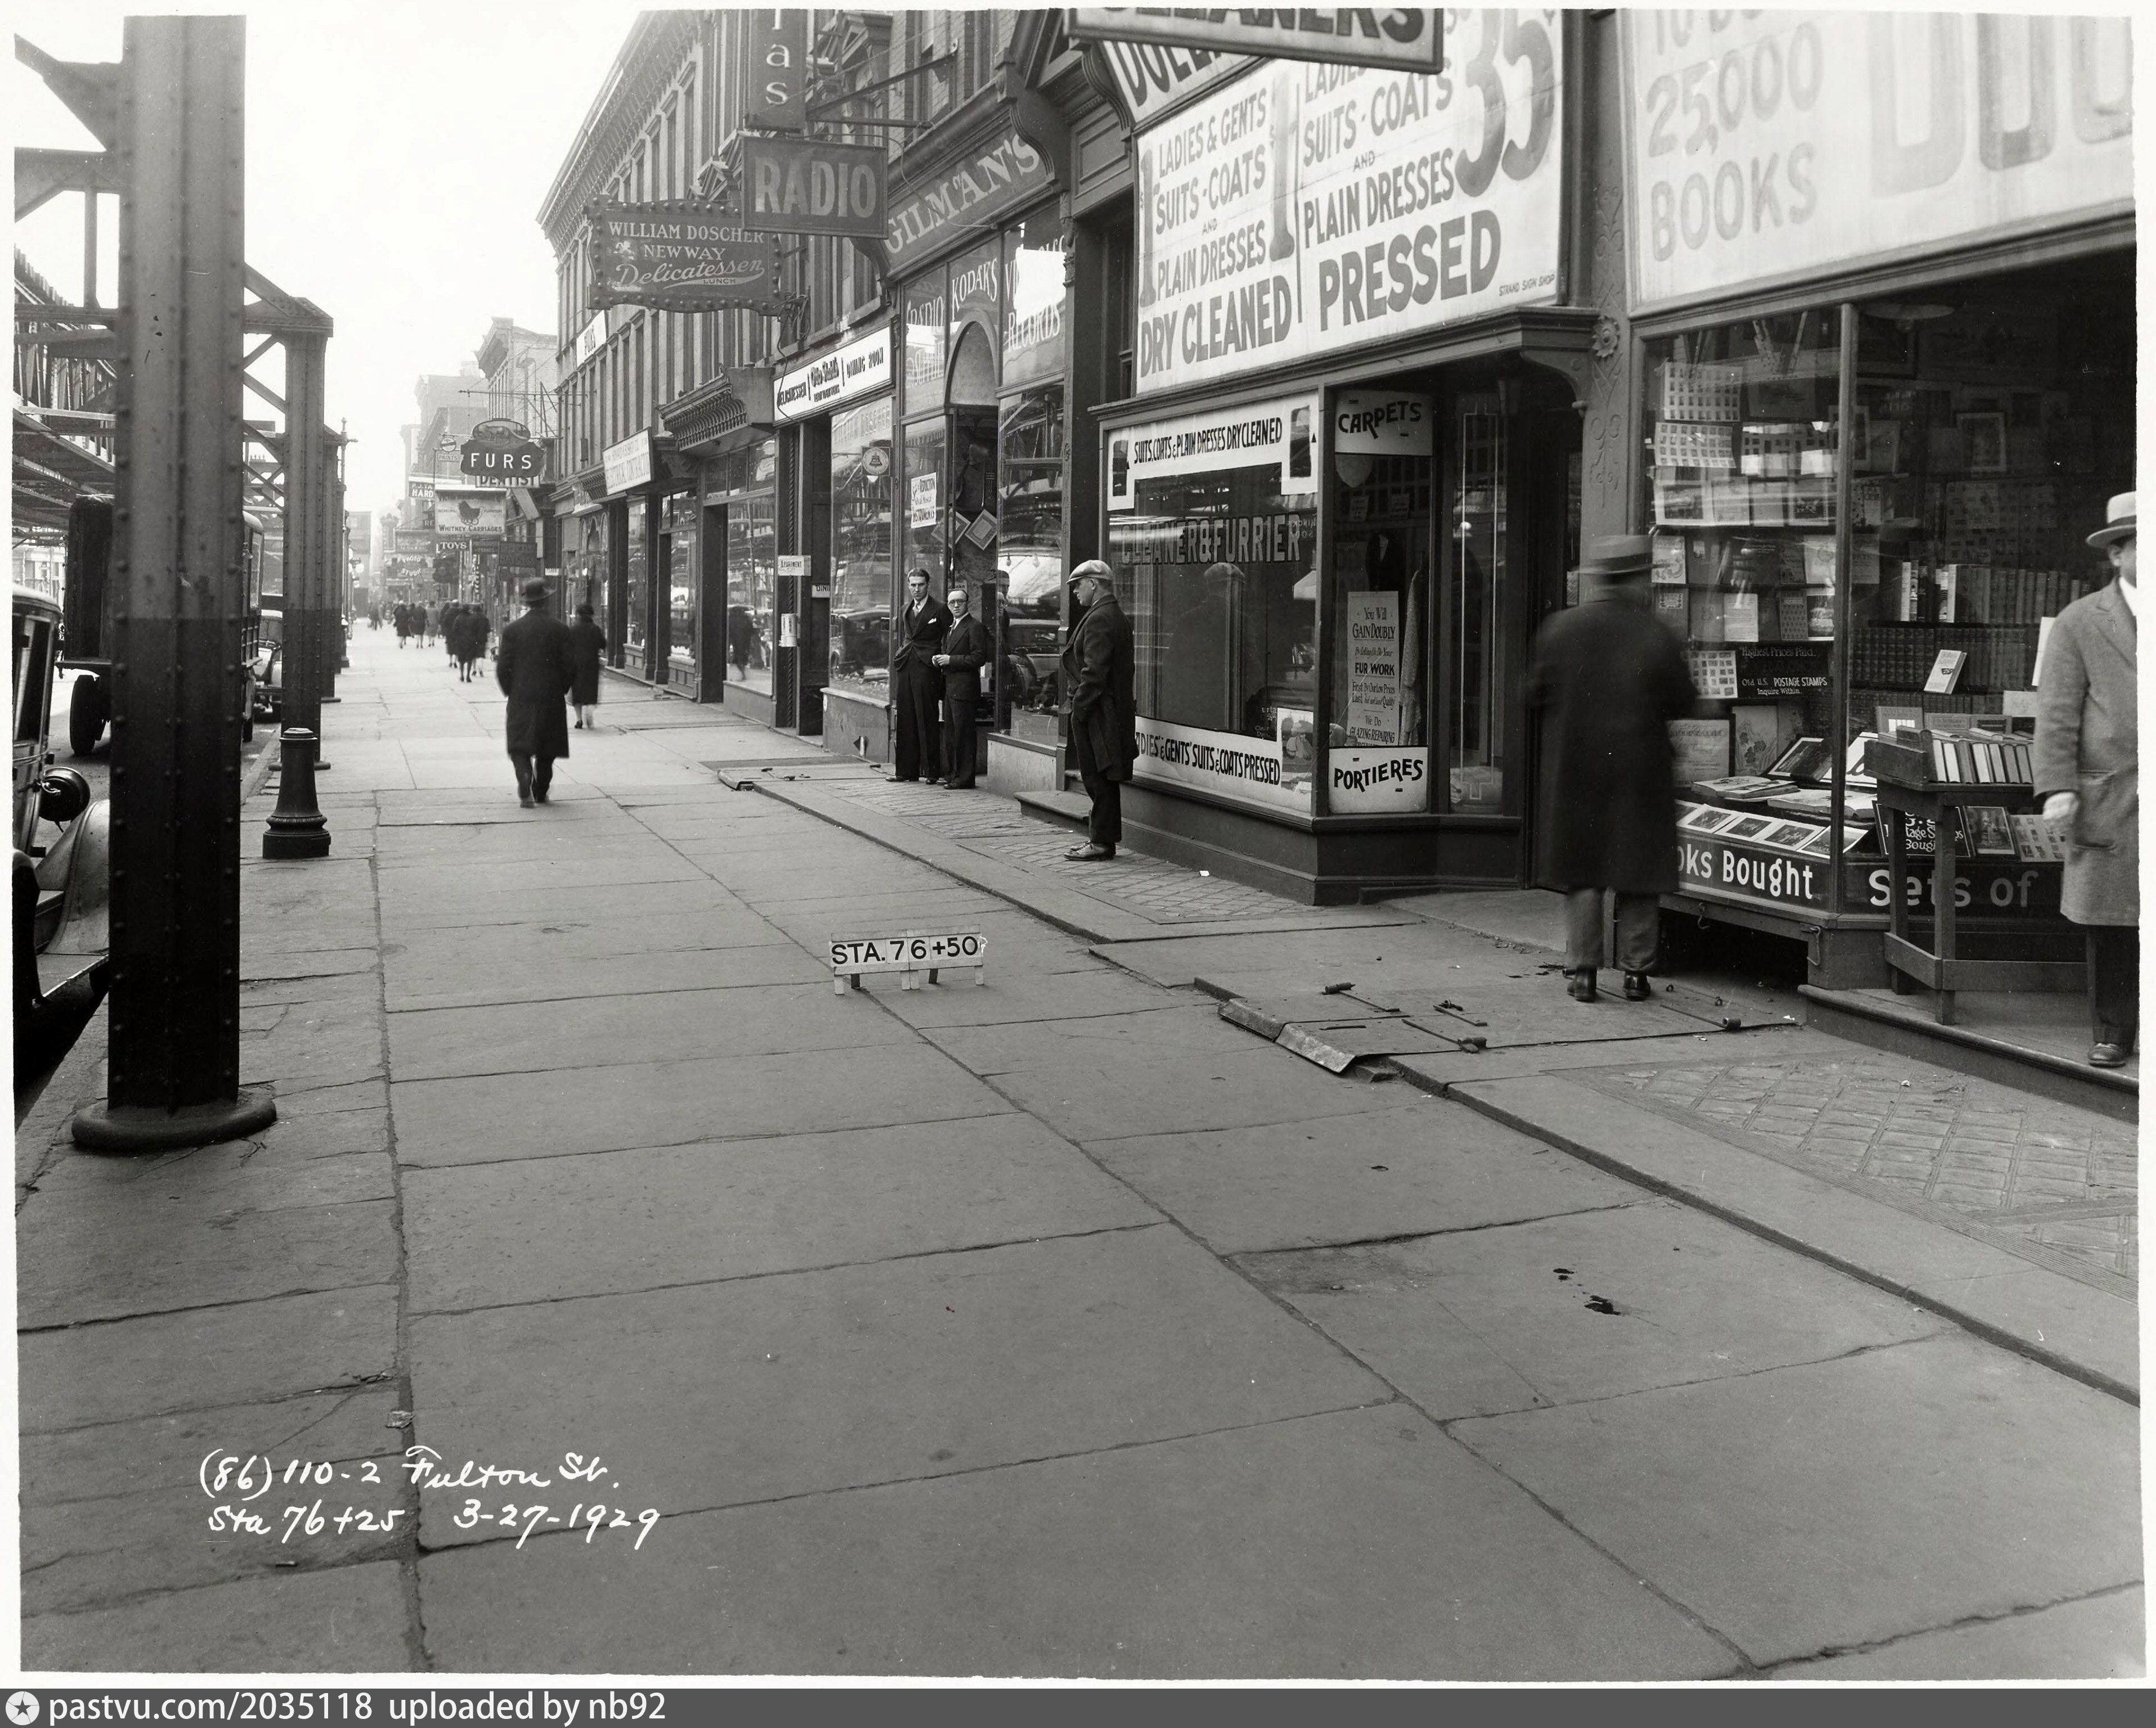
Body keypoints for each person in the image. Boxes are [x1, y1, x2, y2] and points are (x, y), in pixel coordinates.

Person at [1525, 533, 1698, 1002]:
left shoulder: (1560, 628)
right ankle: (1636, 975)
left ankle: (1583, 973)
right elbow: (1683, 699)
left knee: (1583, 871)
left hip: (1577, 770)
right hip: (1640, 772)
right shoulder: (1655, 633)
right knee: (1640, 872)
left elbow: (1534, 692)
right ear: (1638, 579)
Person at [2035, 490, 2139, 1067]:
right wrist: (2058, 786)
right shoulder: (2080, 622)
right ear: (2118, 555)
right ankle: (2114, 1031)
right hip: (2112, 793)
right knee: (2114, 917)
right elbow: (2056, 712)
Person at [1060, 559, 1136, 861]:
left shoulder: (1100, 617)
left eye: (1078, 585)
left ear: (1093, 583)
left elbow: (1094, 673)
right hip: (1104, 710)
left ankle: (1101, 843)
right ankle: (1102, 840)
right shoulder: (1110, 614)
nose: (1075, 591)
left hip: (1098, 712)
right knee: (1102, 778)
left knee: (1098, 778)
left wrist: (1078, 709)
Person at [494, 576, 576, 808]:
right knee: (547, 748)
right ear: (546, 601)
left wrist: (511, 690)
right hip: (551, 696)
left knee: (520, 743)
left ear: (527, 602)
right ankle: (541, 791)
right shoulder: (560, 629)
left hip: (521, 695)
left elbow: (503, 667)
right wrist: (562, 687)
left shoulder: (512, 630)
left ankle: (524, 774)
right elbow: (570, 665)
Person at [890, 566, 951, 783]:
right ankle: (906, 772)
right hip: (906, 665)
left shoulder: (940, 609)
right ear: (908, 586)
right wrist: (901, 654)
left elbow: (948, 638)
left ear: (928, 585)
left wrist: (941, 659)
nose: (917, 589)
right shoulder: (905, 608)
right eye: (913, 585)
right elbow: (907, 636)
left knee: (927, 717)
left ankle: (932, 772)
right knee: (905, 716)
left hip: (928, 667)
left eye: (921, 585)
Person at [931, 583, 992, 788]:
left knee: (963, 735)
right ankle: (953, 774)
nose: (956, 606)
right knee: (951, 734)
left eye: (960, 602)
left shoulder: (974, 627)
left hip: (964, 689)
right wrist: (940, 660)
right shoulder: (952, 627)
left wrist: (950, 660)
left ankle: (964, 778)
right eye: (952, 603)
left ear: (967, 604)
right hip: (951, 688)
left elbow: (979, 658)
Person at [568, 602, 608, 729]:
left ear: (578, 615)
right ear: (591, 615)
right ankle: (589, 710)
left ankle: (579, 720)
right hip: (592, 664)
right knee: (591, 689)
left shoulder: (573, 630)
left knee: (577, 692)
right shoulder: (596, 629)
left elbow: (567, 647)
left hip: (576, 664)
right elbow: (603, 644)